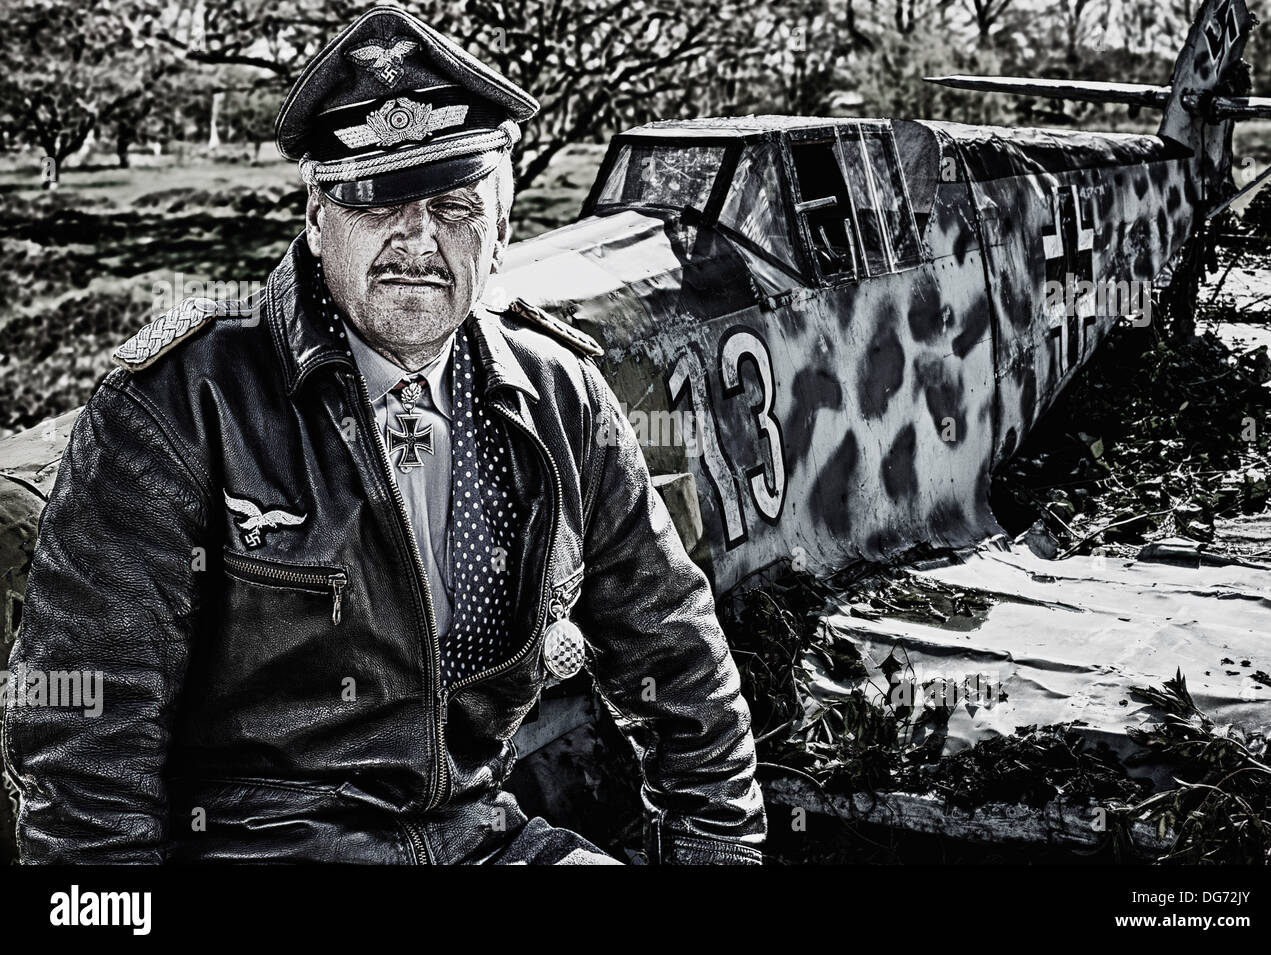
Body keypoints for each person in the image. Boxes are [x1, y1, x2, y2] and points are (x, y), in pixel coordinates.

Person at [1, 4, 765, 865]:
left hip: (476, 834)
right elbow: (82, 735)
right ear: (317, 219)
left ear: (502, 225)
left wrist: (717, 851)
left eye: (453, 204)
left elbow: (678, 653)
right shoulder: (181, 402)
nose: (417, 239)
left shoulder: (560, 396)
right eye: (376, 201)